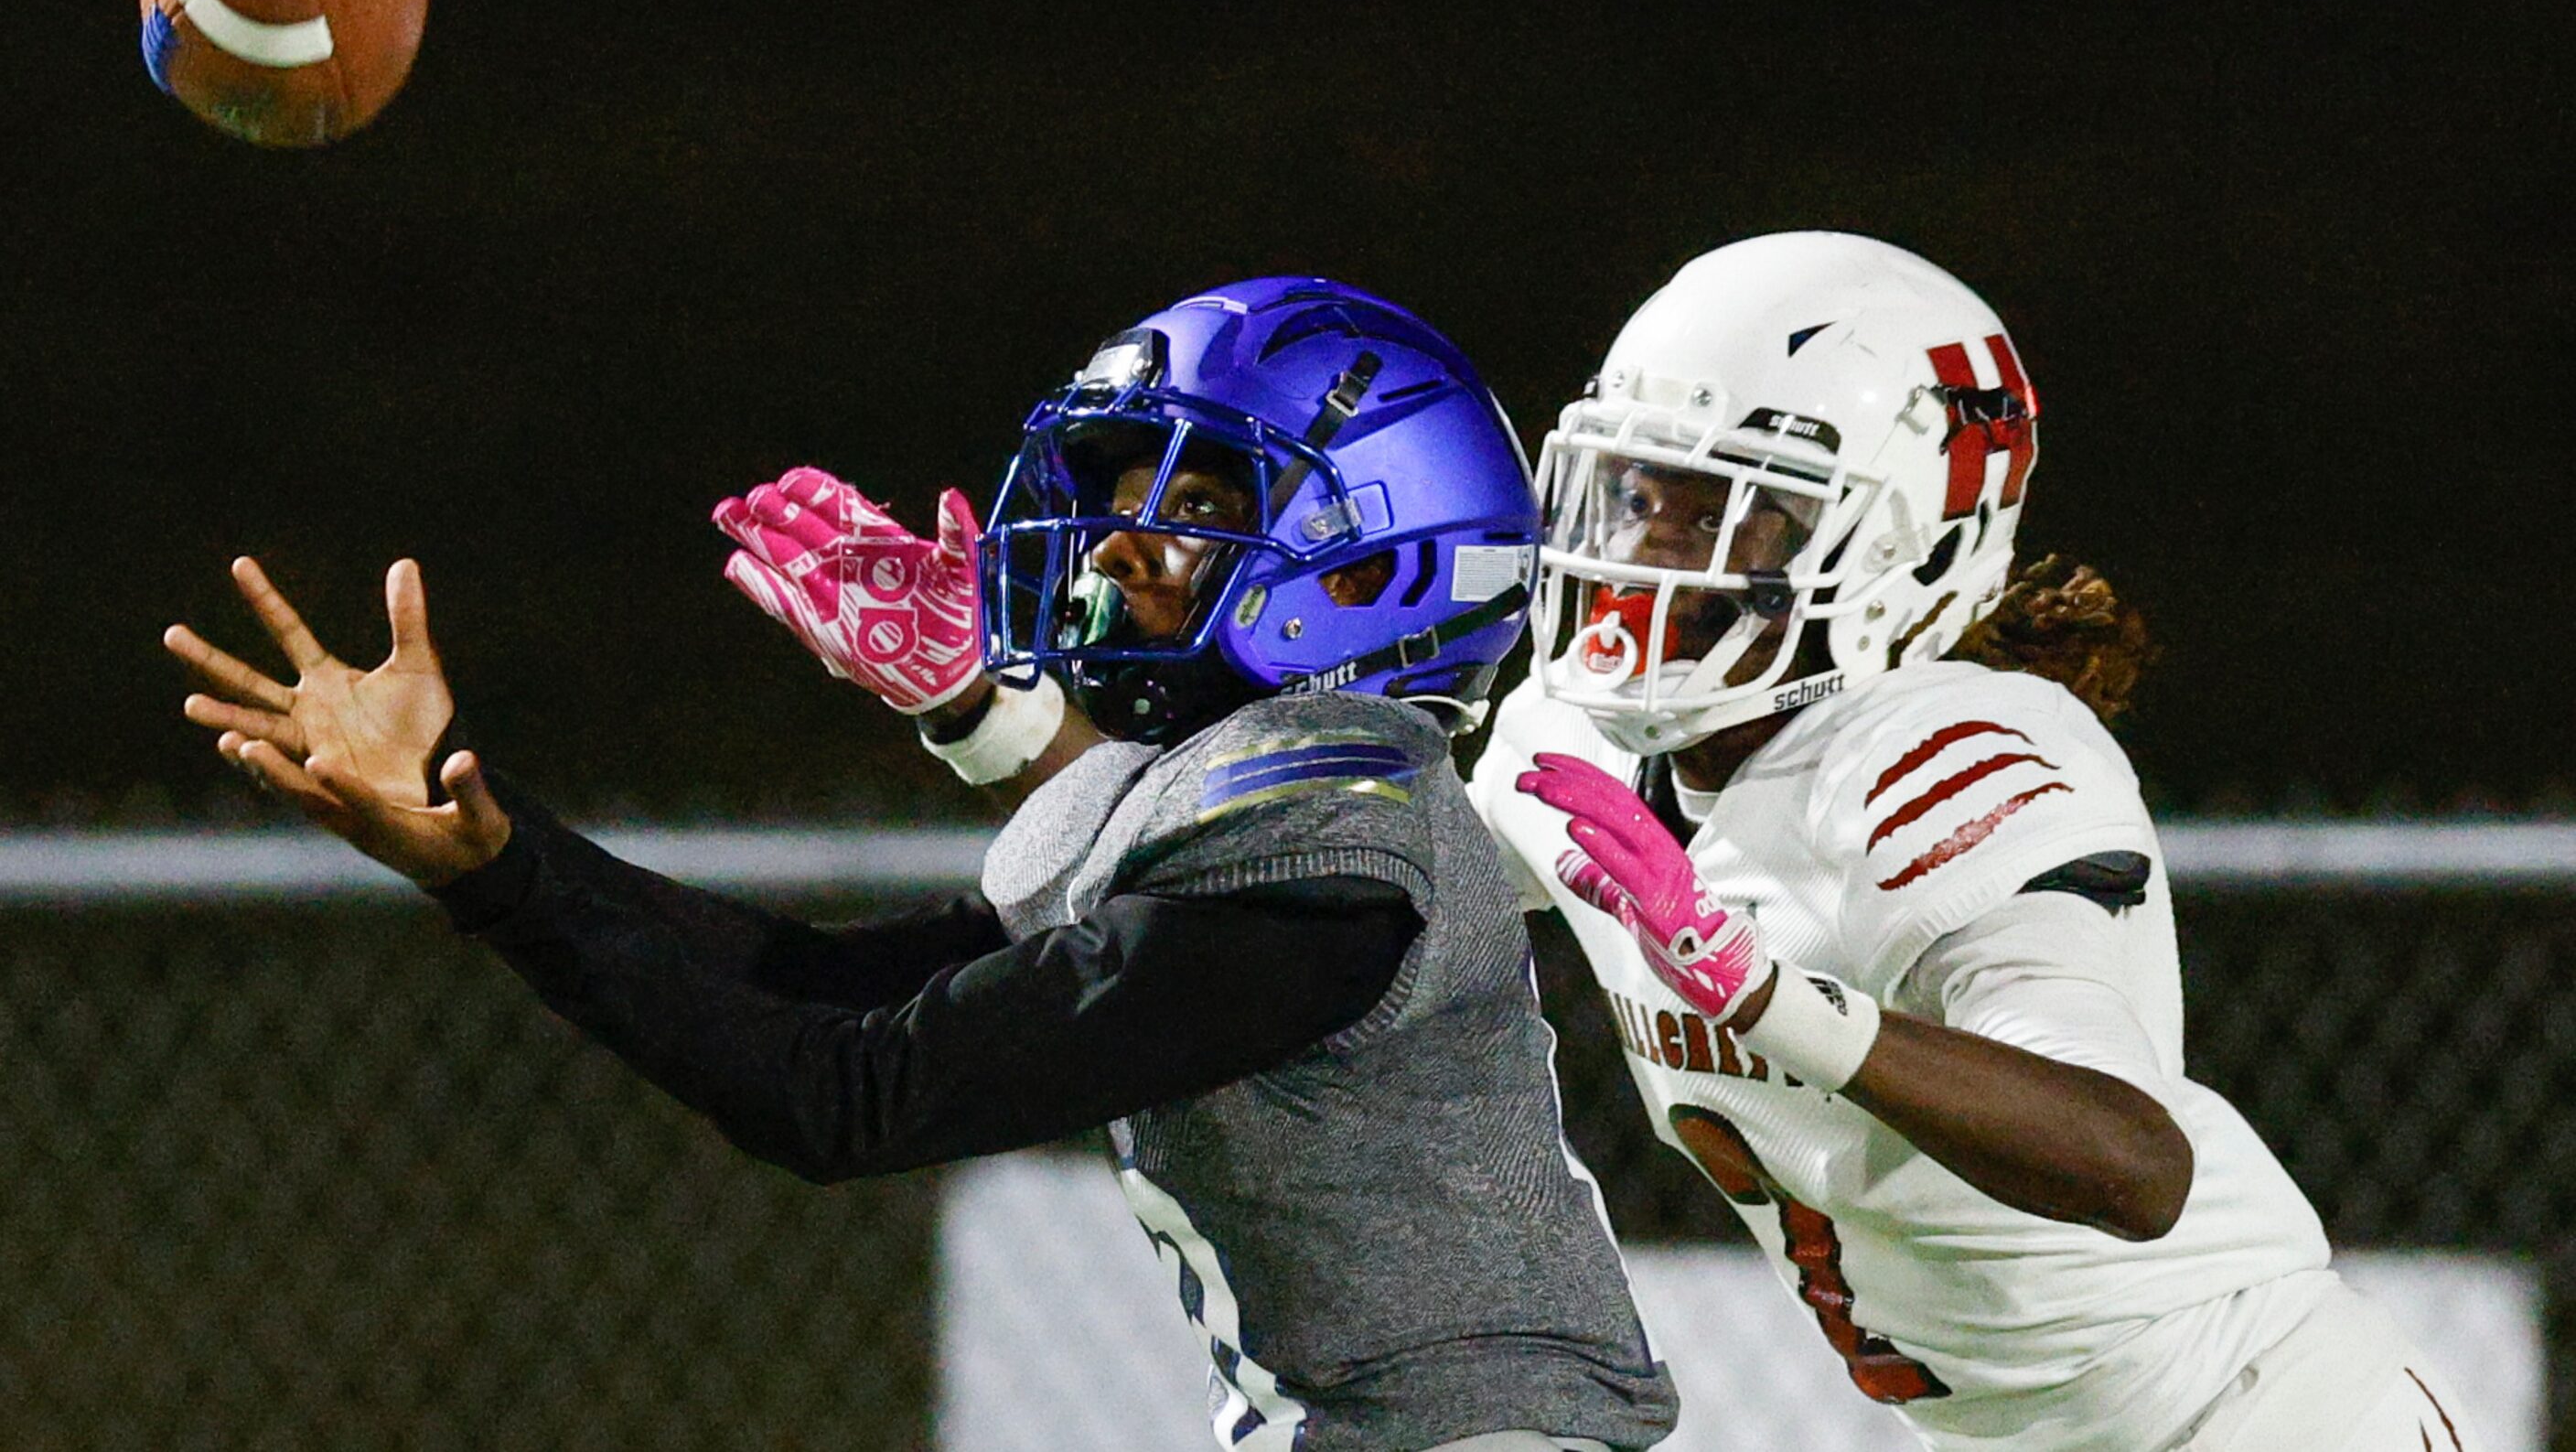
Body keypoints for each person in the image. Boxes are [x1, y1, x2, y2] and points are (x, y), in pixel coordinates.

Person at [165, 276, 1680, 1452]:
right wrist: (480, 835)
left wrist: (501, 885)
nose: (1114, 544)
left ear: (1369, 563)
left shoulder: (1334, 863)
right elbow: (823, 987)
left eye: (1201, 499)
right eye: (1129, 490)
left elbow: (844, 1093)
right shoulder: (1231, 804)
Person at [1465, 231, 2480, 1451]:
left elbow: (2128, 1161)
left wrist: (1764, 992)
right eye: (1640, 497)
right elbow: (1398, 887)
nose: (1645, 554)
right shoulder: (1569, 738)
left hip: (2251, 1417)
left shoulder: (1945, 758)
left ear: (1908, 553)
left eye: (1735, 514)